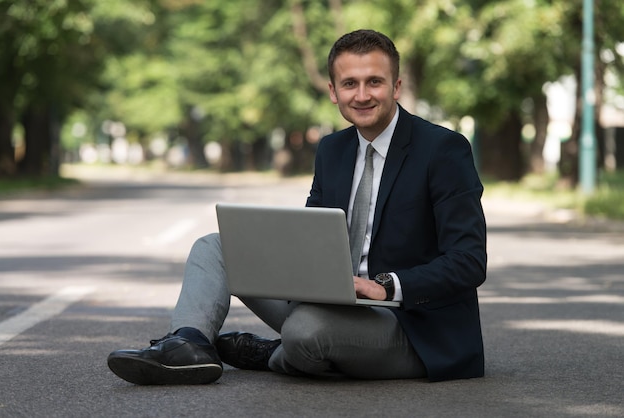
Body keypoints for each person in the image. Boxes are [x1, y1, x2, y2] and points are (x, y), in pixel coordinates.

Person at [107, 29, 487, 384]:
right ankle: (188, 346)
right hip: (331, 301)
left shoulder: (443, 150)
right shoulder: (332, 150)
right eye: (349, 84)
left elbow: (469, 260)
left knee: (306, 332)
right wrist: (297, 270)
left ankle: (276, 354)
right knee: (216, 247)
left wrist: (385, 287)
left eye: (375, 81)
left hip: (409, 325)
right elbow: (311, 238)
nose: (362, 95)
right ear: (333, 92)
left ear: (396, 86)